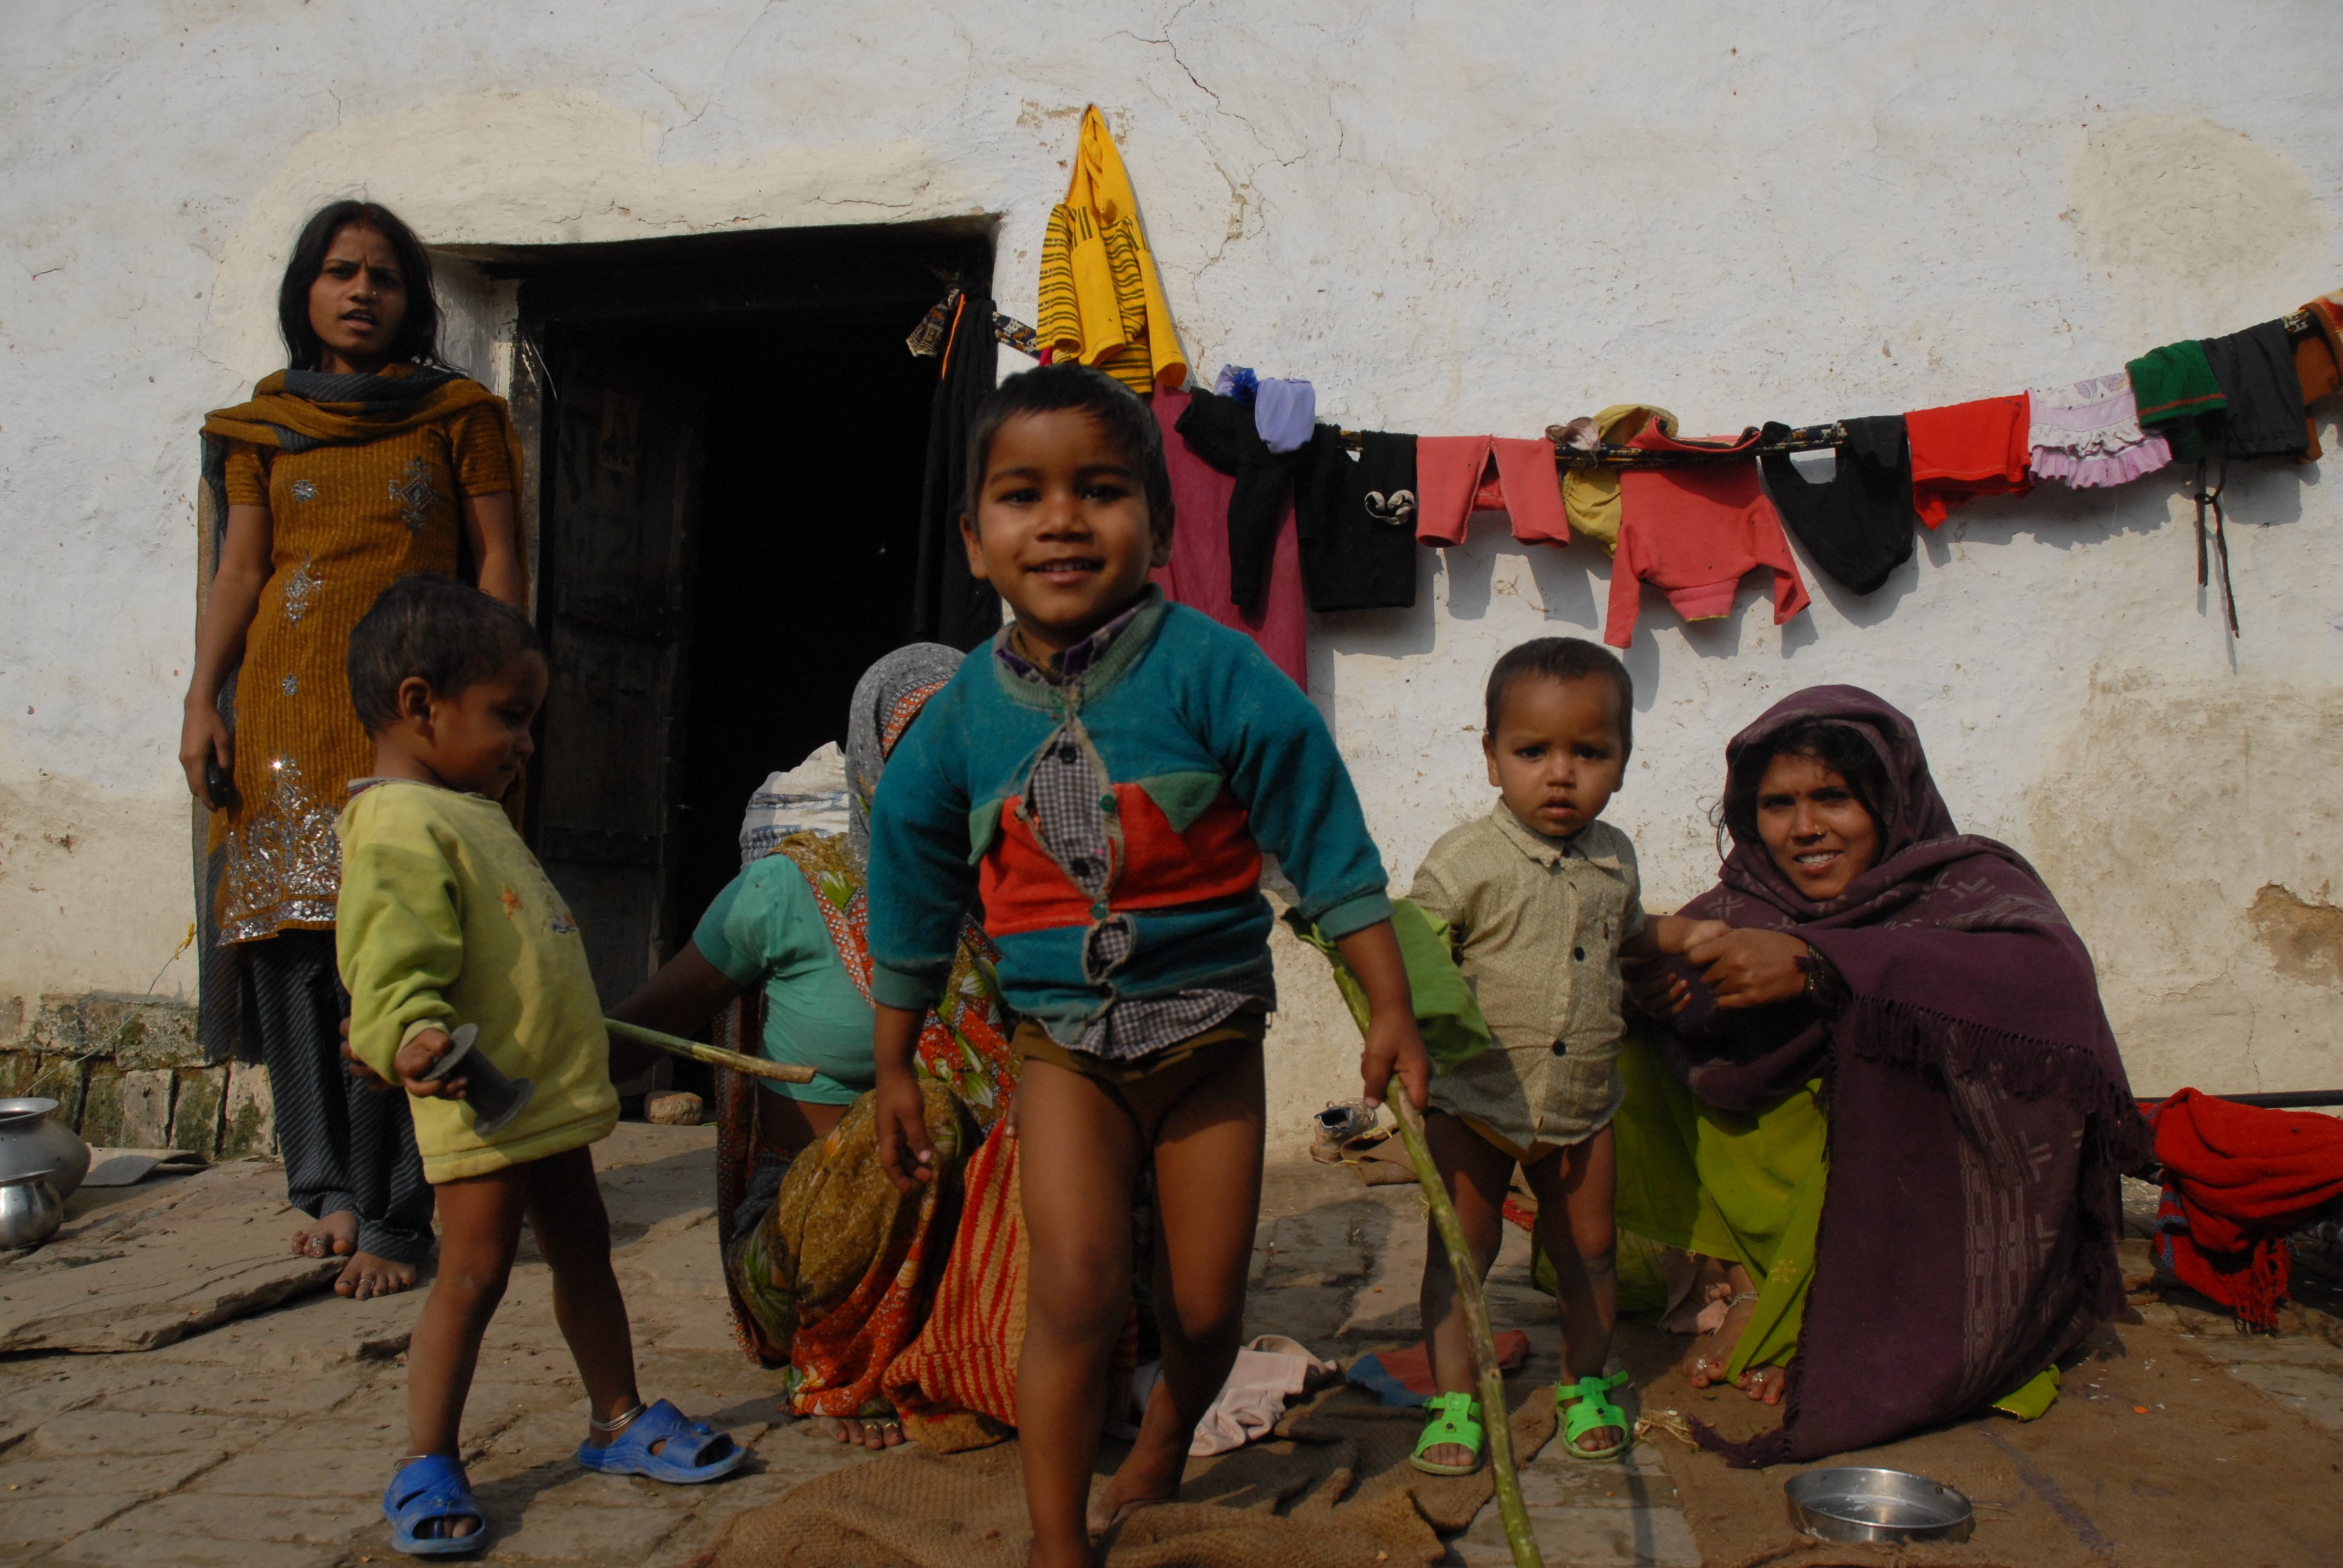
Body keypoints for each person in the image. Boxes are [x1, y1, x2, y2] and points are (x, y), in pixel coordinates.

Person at [863, 364, 1430, 1568]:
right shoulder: (959, 719)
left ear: (1161, 531)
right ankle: (1054, 1543)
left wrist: (1389, 1004)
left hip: (1210, 1044)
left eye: (1103, 490)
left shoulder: (1217, 674)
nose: (1062, 520)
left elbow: (1325, 839)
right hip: (1064, 1049)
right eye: (1022, 496)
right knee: (1075, 1293)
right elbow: (909, 890)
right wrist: (894, 1065)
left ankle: (1167, 1435)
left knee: (1206, 1311)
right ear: (973, 542)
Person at [1614, 685, 2147, 1465]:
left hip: (1909, 1197)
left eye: (1834, 797)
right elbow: (1665, 986)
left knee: (1890, 1056)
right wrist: (1654, 989)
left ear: (1892, 800)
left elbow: (2051, 979)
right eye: (1777, 805)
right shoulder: (1745, 902)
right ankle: (1750, 1283)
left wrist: (1824, 963)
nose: (1805, 829)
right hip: (1768, 1182)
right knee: (1618, 1043)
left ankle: (1841, 1309)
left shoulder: (1969, 884)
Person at [337, 577, 744, 1557]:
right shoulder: (397, 824)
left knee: (585, 1252)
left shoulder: (463, 808)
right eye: (509, 716)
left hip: (542, 1098)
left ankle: (616, 1419)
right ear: (420, 704)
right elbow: (388, 960)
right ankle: (428, 1459)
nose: (525, 742)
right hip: (480, 1099)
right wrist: (411, 1034)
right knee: (473, 1275)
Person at [182, 200, 527, 1300]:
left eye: (384, 275)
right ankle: (326, 1188)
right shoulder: (261, 426)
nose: (362, 291)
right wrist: (201, 701)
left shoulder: (459, 415)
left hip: (410, 715)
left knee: (394, 955)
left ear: (412, 299)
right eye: (341, 272)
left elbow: (497, 560)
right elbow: (242, 572)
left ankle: (397, 1208)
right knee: (294, 957)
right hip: (283, 714)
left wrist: (501, 692)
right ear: (307, 291)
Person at [608, 645, 1020, 1450]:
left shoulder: (1017, 896)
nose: (949, 777)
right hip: (804, 1262)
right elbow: (634, 1035)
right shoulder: (792, 889)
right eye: (922, 754)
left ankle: (973, 1344)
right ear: (874, 764)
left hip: (957, 1249)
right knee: (926, 1117)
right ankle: (840, 1370)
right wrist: (501, 1069)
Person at [1403, 637, 1720, 1472]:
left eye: (1589, 753)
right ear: (1491, 757)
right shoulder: (1465, 861)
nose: (1559, 774)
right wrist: (1399, 1034)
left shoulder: (1616, 857)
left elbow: (1627, 934)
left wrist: (1687, 937)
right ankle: (1455, 1402)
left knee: (1591, 1252)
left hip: (1581, 1104)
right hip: (1476, 1101)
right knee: (1461, 1255)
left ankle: (1584, 1381)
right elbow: (1415, 954)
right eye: (1532, 752)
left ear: (1622, 762)